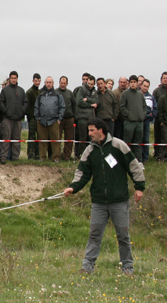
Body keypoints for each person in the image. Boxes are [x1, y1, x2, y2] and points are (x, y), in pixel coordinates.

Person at [64, 117, 145, 277]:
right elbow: (82, 173)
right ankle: (87, 266)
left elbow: (134, 166)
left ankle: (127, 267)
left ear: (101, 130)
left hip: (119, 201)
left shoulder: (118, 145)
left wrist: (139, 187)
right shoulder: (90, 150)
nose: (89, 133)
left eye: (92, 130)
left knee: (123, 235)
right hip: (99, 202)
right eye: (88, 130)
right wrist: (73, 187)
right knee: (94, 234)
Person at [0, 71, 26, 163]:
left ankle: (15, 157)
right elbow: (0, 101)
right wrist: (5, 111)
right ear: (9, 79)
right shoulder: (5, 90)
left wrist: (22, 112)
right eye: (12, 78)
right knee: (6, 138)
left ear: (17, 79)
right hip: (7, 119)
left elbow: (25, 102)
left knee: (16, 139)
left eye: (15, 78)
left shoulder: (21, 90)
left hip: (17, 119)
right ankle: (3, 157)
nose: (13, 80)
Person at [34, 76, 65, 162]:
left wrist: (59, 119)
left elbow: (62, 107)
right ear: (45, 83)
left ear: (53, 83)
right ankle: (42, 157)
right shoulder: (40, 95)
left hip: (54, 121)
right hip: (42, 121)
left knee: (55, 140)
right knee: (42, 140)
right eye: (47, 82)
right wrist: (38, 118)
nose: (48, 84)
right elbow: (36, 107)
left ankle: (56, 157)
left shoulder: (58, 95)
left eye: (50, 82)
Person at [119, 75, 147, 161]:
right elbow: (122, 107)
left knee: (138, 143)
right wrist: (128, 115)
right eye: (131, 82)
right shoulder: (125, 94)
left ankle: (138, 160)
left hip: (139, 122)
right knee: (127, 142)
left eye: (134, 82)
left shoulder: (140, 95)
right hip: (129, 122)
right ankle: (127, 160)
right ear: (129, 83)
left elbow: (144, 107)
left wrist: (142, 115)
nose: (133, 84)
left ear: (137, 83)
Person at [56, 76, 76, 161]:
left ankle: (67, 156)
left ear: (67, 84)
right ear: (59, 83)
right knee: (58, 138)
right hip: (58, 119)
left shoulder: (70, 93)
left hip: (69, 118)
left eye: (64, 83)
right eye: (61, 83)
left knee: (69, 138)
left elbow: (74, 105)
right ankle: (57, 155)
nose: (63, 85)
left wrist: (74, 116)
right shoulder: (55, 92)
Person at [25, 73, 42, 160]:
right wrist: (30, 116)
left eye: (39, 81)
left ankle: (38, 154)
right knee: (32, 136)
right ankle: (31, 154)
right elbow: (27, 106)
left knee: (39, 136)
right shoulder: (29, 92)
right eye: (36, 81)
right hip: (32, 118)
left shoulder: (40, 92)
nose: (37, 82)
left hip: (39, 118)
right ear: (33, 81)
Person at [140, 79, 156, 163]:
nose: (145, 88)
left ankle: (145, 158)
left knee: (146, 139)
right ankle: (138, 157)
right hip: (138, 121)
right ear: (141, 85)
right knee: (138, 139)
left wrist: (151, 116)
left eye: (147, 86)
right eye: (144, 86)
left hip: (147, 121)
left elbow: (155, 109)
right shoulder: (137, 95)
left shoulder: (151, 97)